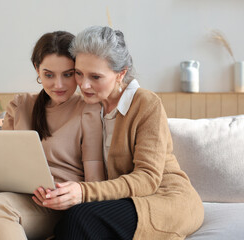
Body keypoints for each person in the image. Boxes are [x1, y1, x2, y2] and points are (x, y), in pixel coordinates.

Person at [33, 26, 204, 240]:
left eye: (95, 77)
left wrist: (83, 192)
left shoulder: (145, 103)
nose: (84, 85)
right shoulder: (89, 105)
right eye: (79, 73)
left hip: (164, 199)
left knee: (79, 218)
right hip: (118, 201)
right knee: (69, 223)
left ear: (120, 74)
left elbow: (147, 179)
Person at [0, 31, 105, 240]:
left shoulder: (89, 110)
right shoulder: (21, 105)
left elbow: (95, 180)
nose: (58, 85)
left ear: (78, 72)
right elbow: (1, 160)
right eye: (49, 75)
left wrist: (75, 194)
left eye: (68, 74)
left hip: (55, 204)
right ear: (37, 70)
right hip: (14, 193)